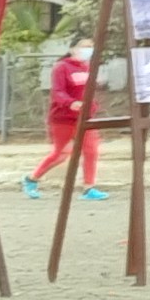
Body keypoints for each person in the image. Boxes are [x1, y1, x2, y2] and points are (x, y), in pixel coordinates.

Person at [31, 38, 101, 199]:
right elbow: (57, 92)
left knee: (91, 150)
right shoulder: (61, 67)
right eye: (84, 46)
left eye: (91, 46)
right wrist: (70, 103)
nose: (88, 50)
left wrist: (92, 106)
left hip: (85, 117)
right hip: (63, 118)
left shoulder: (87, 67)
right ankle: (32, 179)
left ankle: (89, 188)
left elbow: (89, 91)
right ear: (72, 49)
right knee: (61, 154)